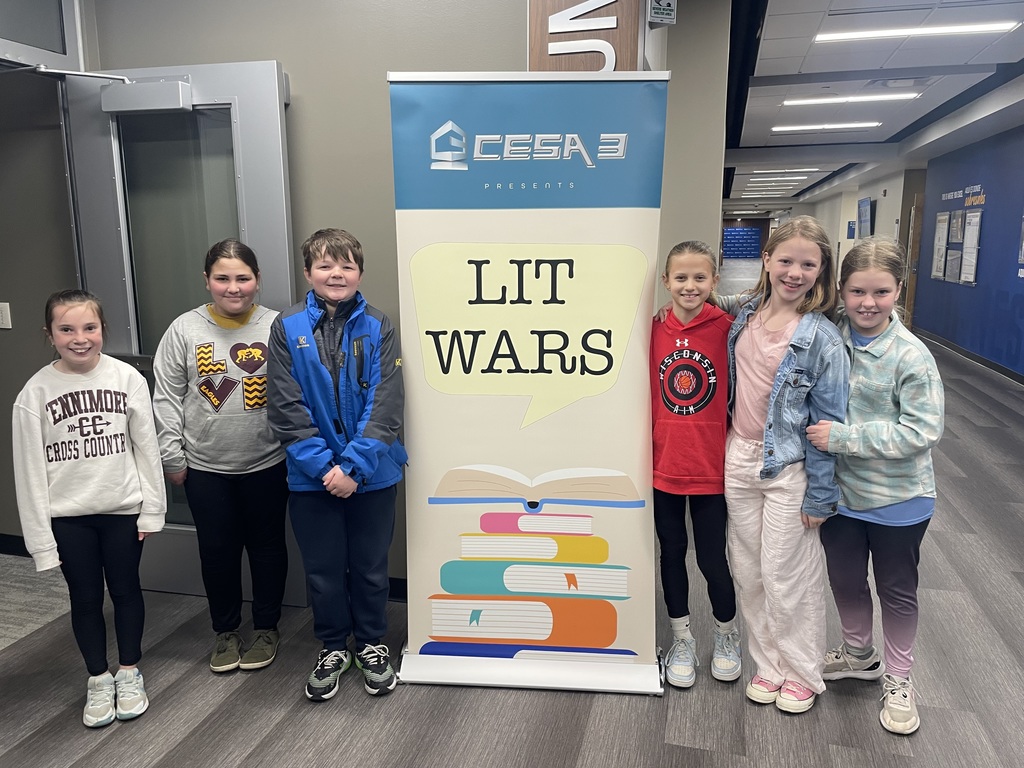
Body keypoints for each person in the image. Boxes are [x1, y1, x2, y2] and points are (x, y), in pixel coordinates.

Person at [806, 237, 944, 735]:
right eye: (857, 291)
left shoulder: (911, 355)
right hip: (841, 497)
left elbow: (922, 431)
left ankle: (900, 678)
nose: (868, 303)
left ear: (899, 291)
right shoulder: (828, 337)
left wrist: (844, 437)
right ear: (840, 291)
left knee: (897, 591)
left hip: (899, 500)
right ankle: (859, 653)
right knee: (844, 581)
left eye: (881, 292)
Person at [12, 289, 166, 728]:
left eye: (89, 328)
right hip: (68, 518)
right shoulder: (35, 392)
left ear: (102, 330)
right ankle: (98, 678)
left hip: (121, 511)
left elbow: (147, 450)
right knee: (84, 597)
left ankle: (129, 672)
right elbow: (28, 472)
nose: (80, 338)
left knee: (126, 590)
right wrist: (41, 541)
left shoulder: (127, 379)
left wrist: (152, 510)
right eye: (67, 329)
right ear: (50, 334)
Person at [268, 228, 407, 700]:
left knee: (370, 568)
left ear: (360, 273)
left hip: (373, 474)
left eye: (347, 265)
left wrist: (353, 468)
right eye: (326, 265)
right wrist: (325, 468)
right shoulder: (286, 328)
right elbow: (285, 407)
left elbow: (386, 403)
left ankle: (370, 644)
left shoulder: (380, 325)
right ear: (308, 273)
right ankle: (332, 646)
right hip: (312, 479)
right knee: (323, 570)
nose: (337, 274)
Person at [720, 215, 849, 714]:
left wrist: (821, 493)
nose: (795, 272)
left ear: (822, 271)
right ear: (767, 260)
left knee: (787, 572)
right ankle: (769, 665)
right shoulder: (744, 314)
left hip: (789, 468)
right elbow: (701, 296)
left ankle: (800, 671)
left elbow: (826, 423)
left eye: (808, 264)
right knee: (749, 571)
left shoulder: (821, 337)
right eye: (786, 260)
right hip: (738, 459)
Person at [152, 239, 289, 674]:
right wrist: (171, 456)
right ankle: (226, 632)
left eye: (243, 278)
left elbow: (299, 394)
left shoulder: (278, 326)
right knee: (217, 551)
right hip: (205, 467)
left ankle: (267, 627)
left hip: (269, 462)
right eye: (223, 278)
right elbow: (167, 398)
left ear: (257, 280)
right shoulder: (184, 330)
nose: (234, 288)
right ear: (207, 281)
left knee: (267, 548)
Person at [650, 241, 741, 689]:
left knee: (711, 558)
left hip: (711, 469)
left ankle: (726, 634)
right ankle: (680, 638)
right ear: (666, 281)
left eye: (699, 277)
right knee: (670, 555)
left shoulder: (729, 329)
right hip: (662, 468)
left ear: (714, 282)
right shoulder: (650, 331)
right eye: (681, 277)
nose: (690, 286)